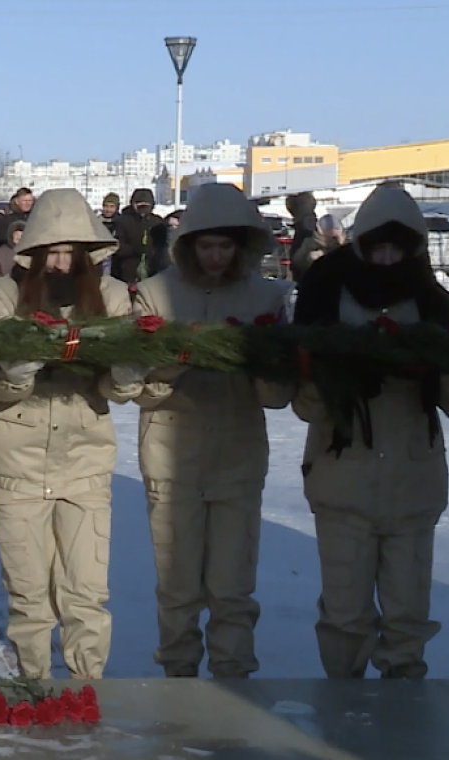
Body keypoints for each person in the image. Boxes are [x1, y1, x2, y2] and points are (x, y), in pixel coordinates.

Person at [292, 185, 449, 679]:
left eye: (398, 248)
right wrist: (333, 374)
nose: (387, 259)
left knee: (408, 616)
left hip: (413, 482)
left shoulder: (436, 309)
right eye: (377, 247)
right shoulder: (327, 301)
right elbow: (303, 406)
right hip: (342, 480)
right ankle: (343, 715)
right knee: (345, 616)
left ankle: (402, 718)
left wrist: (439, 364)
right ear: (361, 244)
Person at [128, 183, 293, 679]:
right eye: (207, 246)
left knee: (232, 587)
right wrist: (175, 359)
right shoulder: (156, 294)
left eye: (226, 246)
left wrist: (258, 358)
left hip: (237, 458)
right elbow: (138, 387)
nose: (216, 256)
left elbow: (277, 395)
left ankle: (233, 679)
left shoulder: (266, 296)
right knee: (177, 587)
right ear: (189, 245)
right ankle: (178, 677)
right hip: (170, 457)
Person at [0, 189, 135, 680]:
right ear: (35, 250)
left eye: (73, 251)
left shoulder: (111, 300)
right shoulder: (5, 298)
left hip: (84, 461)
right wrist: (17, 371)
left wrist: (128, 374)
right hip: (18, 462)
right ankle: (34, 685)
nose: (63, 262)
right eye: (54, 249)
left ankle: (86, 683)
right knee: (28, 591)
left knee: (86, 590)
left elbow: (115, 390)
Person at [111, 188, 163, 285]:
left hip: (152, 271)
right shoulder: (123, 221)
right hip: (127, 273)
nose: (142, 208)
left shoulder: (157, 222)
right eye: (139, 204)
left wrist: (153, 252)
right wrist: (135, 250)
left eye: (146, 205)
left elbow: (163, 246)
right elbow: (116, 246)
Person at [291, 214, 344, 282]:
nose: (331, 236)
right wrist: (309, 258)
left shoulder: (347, 243)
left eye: (335, 235)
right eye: (328, 233)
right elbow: (296, 263)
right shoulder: (309, 243)